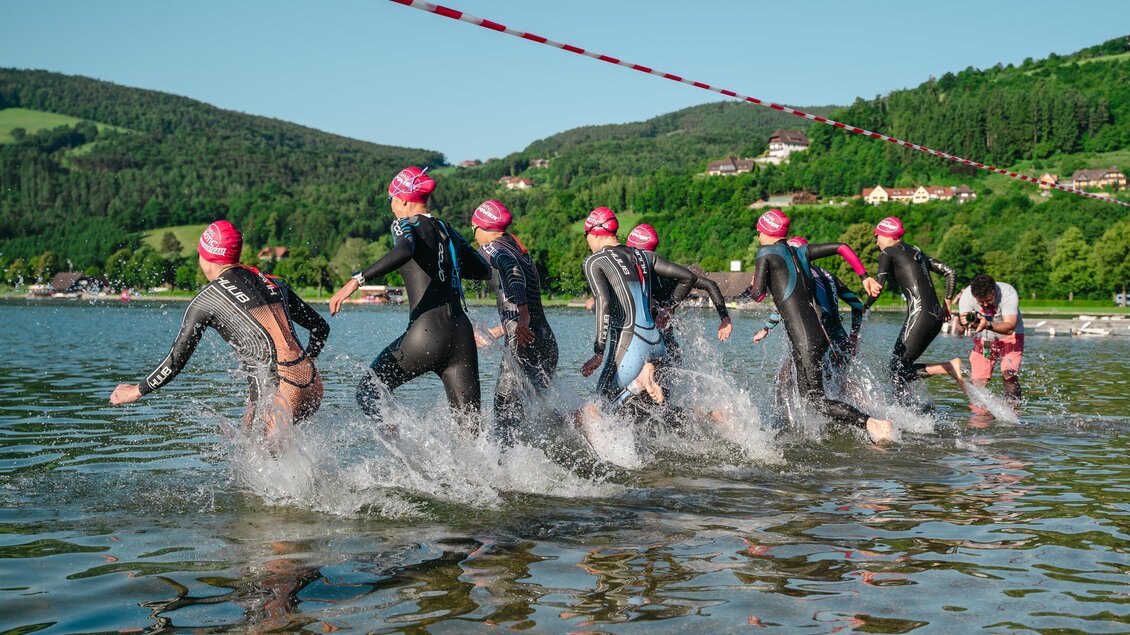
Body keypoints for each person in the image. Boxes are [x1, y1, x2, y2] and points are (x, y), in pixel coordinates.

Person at [109, 221, 329, 438]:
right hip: (311, 382)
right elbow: (320, 327)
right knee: (256, 451)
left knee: (258, 460)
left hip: (282, 389)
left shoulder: (208, 299)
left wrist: (137, 390)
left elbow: (175, 360)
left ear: (206, 256)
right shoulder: (271, 282)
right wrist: (306, 364)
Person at [328, 166, 491, 428]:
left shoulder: (405, 224)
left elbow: (404, 251)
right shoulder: (448, 230)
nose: (391, 205)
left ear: (403, 199)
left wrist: (356, 280)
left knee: (369, 391)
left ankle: (409, 456)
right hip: (462, 336)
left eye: (390, 199)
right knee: (470, 431)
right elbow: (482, 270)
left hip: (425, 335)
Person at [749, 210, 894, 443]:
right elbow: (842, 247)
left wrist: (754, 284)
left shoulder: (766, 252)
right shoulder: (801, 252)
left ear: (766, 230)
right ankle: (834, 431)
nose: (758, 235)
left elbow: (757, 295)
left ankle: (871, 423)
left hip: (805, 338)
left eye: (759, 230)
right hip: (819, 334)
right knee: (812, 397)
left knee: (814, 401)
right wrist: (864, 276)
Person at [580, 207, 697, 409]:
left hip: (630, 345)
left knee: (599, 408)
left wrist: (598, 351)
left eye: (585, 235)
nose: (586, 241)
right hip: (656, 343)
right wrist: (668, 308)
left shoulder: (595, 261)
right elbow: (689, 278)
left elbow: (604, 304)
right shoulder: (644, 256)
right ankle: (644, 378)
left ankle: (640, 382)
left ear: (594, 231)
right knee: (639, 413)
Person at [471, 199, 559, 445]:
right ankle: (579, 421)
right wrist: (500, 330)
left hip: (523, 342)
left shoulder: (492, 248)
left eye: (474, 230)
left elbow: (512, 273)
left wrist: (521, 315)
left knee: (505, 413)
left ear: (481, 228)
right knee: (533, 413)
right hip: (546, 342)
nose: (474, 236)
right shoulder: (518, 250)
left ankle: (506, 474)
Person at [863, 216, 964, 406]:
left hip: (920, 315)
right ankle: (909, 408)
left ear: (886, 235)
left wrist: (862, 307)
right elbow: (950, 271)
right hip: (936, 317)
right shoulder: (917, 251)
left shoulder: (888, 252)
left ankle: (947, 367)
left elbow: (878, 288)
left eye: (876, 236)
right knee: (901, 367)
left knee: (895, 367)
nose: (876, 241)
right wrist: (947, 303)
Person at [754, 235, 868, 368]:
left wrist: (766, 328)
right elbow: (858, 306)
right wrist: (853, 337)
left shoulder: (801, 279)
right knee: (840, 385)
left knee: (787, 375)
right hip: (841, 339)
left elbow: (783, 309)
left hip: (817, 338)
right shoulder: (829, 275)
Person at [958, 273, 1024, 402]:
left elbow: (1010, 327)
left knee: (1009, 374)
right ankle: (980, 417)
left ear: (994, 291)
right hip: (986, 341)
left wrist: (987, 324)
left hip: (1010, 338)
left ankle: (1013, 412)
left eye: (988, 300)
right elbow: (962, 327)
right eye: (980, 302)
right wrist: (963, 324)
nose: (985, 305)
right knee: (979, 381)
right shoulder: (966, 296)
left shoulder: (1007, 293)